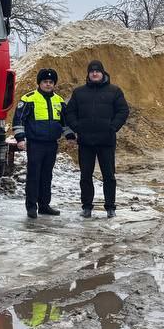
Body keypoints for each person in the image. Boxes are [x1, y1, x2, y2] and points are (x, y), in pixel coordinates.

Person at [63, 59, 129, 218]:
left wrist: (112, 127)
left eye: (97, 71)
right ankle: (86, 207)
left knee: (109, 176)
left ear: (102, 73)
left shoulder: (114, 91)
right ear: (88, 74)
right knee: (85, 176)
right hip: (85, 142)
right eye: (91, 71)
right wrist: (77, 127)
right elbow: (69, 112)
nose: (94, 73)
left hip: (106, 141)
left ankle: (110, 207)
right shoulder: (79, 92)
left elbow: (123, 111)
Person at [12, 68, 75, 219]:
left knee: (47, 176)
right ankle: (31, 207)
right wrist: (20, 139)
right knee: (34, 176)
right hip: (35, 144)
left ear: (54, 84)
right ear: (39, 83)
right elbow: (19, 120)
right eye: (45, 82)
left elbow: (64, 122)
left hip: (51, 144)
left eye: (51, 82)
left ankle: (44, 205)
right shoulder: (28, 99)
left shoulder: (59, 101)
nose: (48, 84)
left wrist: (70, 136)